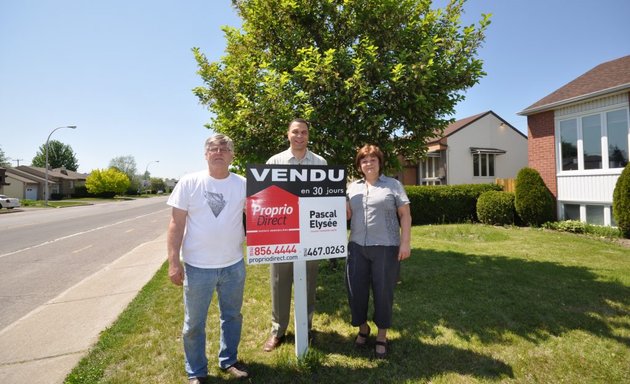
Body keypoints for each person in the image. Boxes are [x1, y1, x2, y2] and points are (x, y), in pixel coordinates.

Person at [167, 134, 250, 383]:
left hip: (233, 264)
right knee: (194, 324)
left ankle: (229, 360)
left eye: (224, 148)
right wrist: (173, 262)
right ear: (205, 154)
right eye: (213, 148)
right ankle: (196, 371)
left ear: (232, 155)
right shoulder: (189, 182)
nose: (219, 152)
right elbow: (175, 224)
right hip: (197, 267)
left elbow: (260, 215)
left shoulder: (243, 184)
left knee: (232, 316)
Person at [263, 118, 327, 352]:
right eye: (295, 132)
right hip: (281, 233)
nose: (300, 136)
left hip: (310, 233)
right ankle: (278, 330)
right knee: (279, 282)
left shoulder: (320, 162)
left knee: (309, 282)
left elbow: (325, 198)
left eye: (304, 132)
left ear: (309, 135)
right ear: (288, 134)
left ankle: (306, 326)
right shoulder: (275, 162)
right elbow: (265, 197)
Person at [345, 144, 412, 359]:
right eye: (364, 160)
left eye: (373, 159)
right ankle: (363, 329)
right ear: (359, 166)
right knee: (356, 291)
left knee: (383, 293)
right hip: (356, 247)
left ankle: (382, 335)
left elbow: (405, 215)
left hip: (386, 247)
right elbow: (346, 215)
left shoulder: (393, 185)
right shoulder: (351, 187)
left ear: (379, 162)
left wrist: (405, 243)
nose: (368, 163)